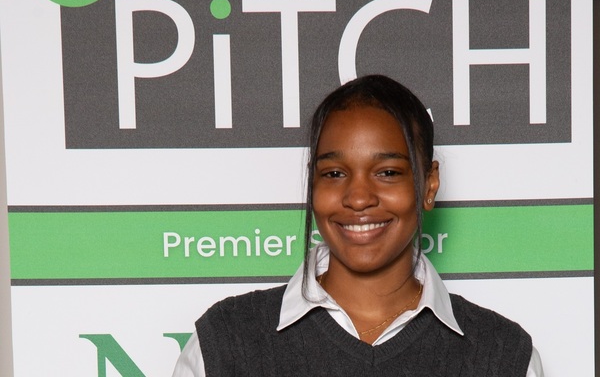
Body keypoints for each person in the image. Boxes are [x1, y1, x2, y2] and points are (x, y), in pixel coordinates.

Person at [172, 75, 544, 376]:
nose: (359, 197)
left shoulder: (504, 357)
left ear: (429, 185)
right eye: (334, 173)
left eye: (388, 172)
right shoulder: (224, 343)